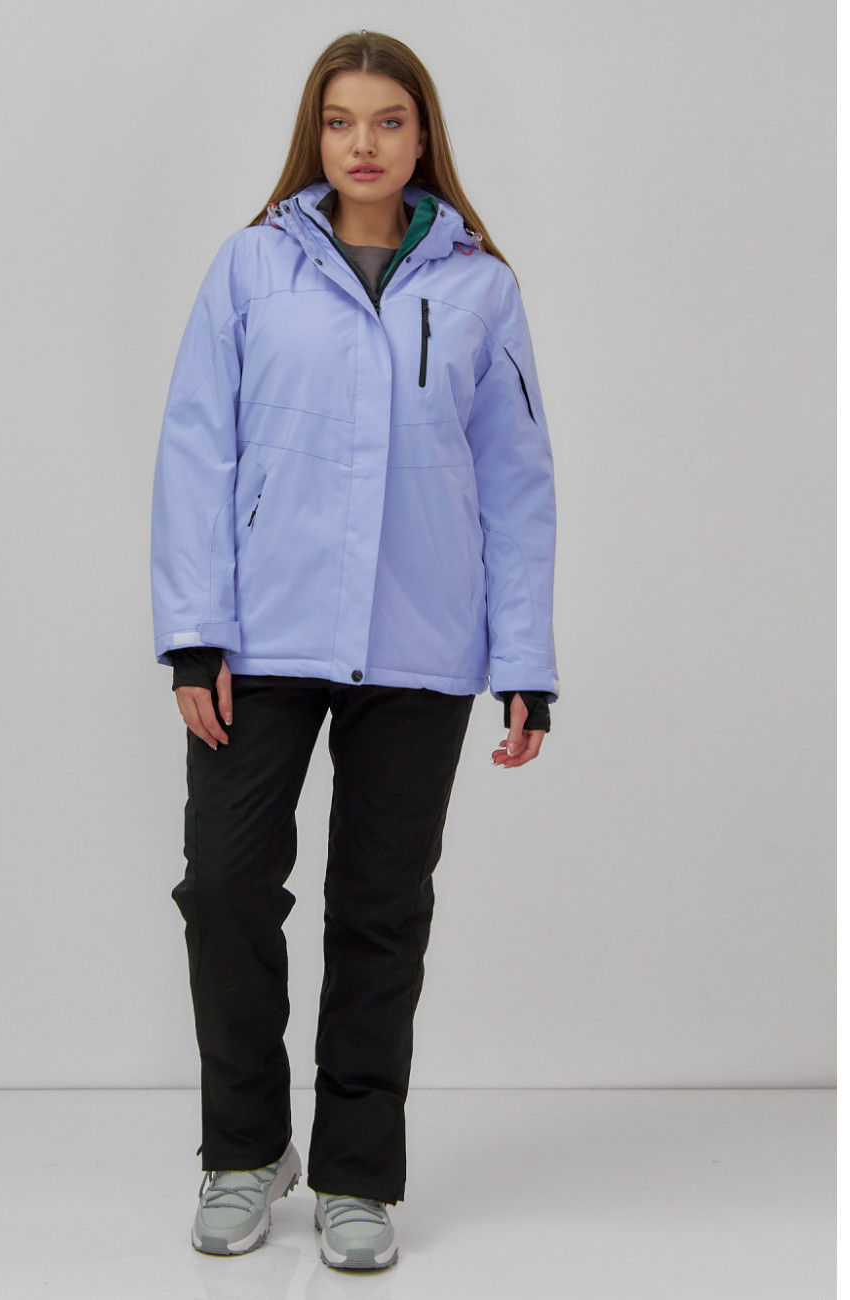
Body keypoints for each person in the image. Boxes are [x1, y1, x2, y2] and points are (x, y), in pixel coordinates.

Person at [150, 29, 559, 1271]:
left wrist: (524, 660)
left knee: (381, 912)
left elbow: (517, 481)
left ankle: (356, 1174)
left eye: (387, 121)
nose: (363, 143)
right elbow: (195, 447)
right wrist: (194, 636)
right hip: (261, 635)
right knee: (225, 889)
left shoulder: (481, 286)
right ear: (313, 135)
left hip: (422, 642)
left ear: (422, 136)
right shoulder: (250, 267)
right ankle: (243, 1151)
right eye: (340, 121)